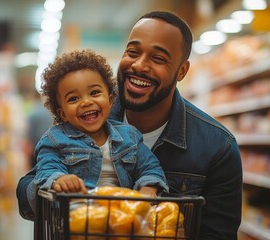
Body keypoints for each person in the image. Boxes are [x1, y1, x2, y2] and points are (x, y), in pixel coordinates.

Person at [17, 11, 242, 239]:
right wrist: (54, 186)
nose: (139, 65)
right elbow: (31, 184)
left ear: (182, 71)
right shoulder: (85, 121)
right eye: (132, 52)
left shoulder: (218, 147)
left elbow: (218, 233)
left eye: (158, 58)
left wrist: (149, 193)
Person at [27, 49, 168, 211]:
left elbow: (149, 166)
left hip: (123, 214)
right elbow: (46, 167)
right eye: (73, 98)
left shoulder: (129, 136)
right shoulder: (54, 139)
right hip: (78, 216)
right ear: (63, 113)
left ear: (110, 100)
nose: (86, 102)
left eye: (94, 93)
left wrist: (149, 187)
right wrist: (59, 179)